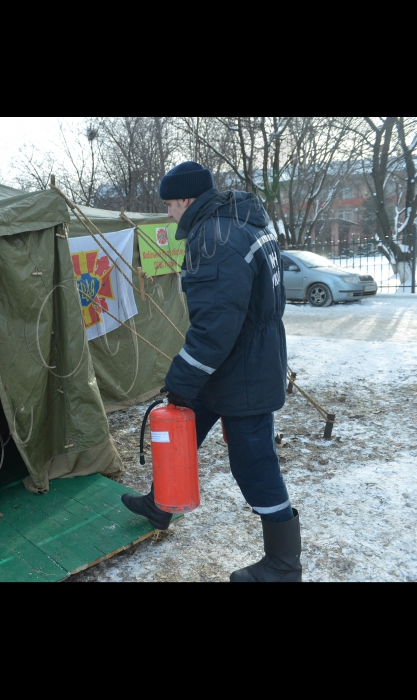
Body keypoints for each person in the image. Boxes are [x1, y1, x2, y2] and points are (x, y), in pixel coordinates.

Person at [122, 162, 302, 583]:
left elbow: (214, 326)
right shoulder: (239, 224)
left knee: (254, 463)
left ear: (186, 199)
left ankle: (283, 564)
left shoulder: (215, 238)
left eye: (169, 205)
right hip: (238, 364)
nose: (168, 214)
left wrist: (182, 376)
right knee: (189, 422)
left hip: (242, 372)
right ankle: (161, 504)